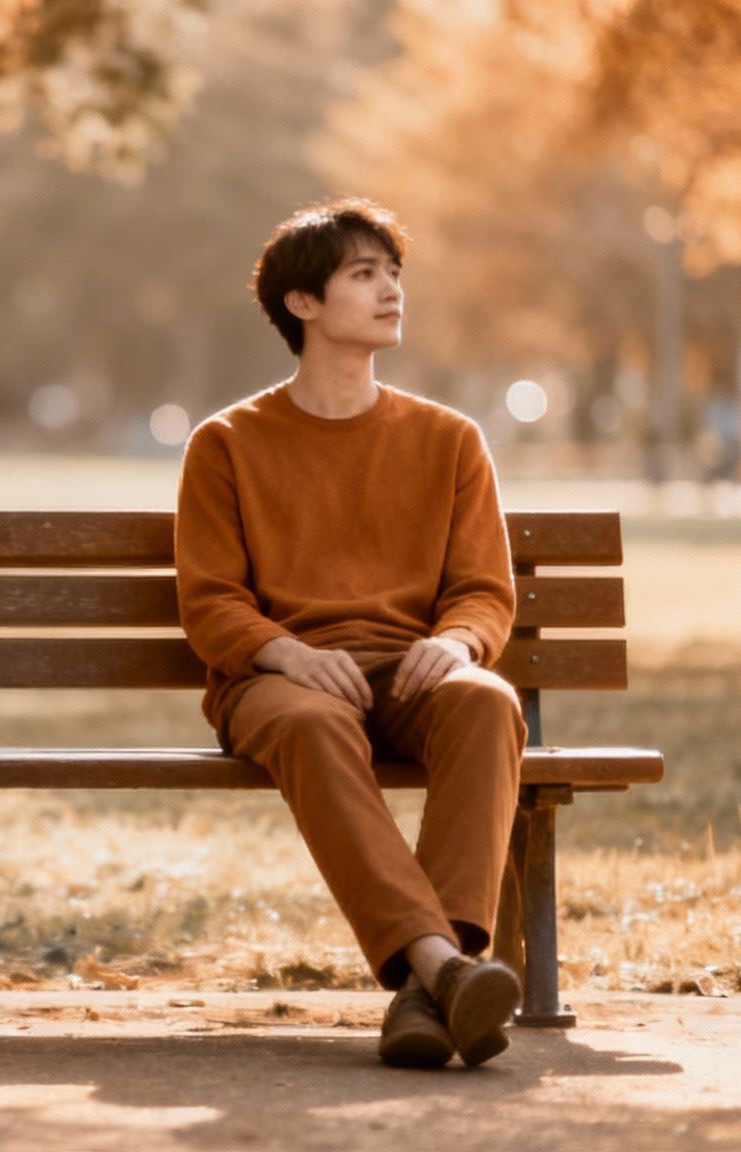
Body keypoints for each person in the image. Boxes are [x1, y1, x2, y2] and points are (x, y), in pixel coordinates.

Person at [174, 199, 526, 1069]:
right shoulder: (227, 444)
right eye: (364, 274)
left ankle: (426, 989)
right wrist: (288, 652)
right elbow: (211, 601)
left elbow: (483, 589)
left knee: (486, 705)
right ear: (303, 304)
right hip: (277, 683)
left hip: (412, 673)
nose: (391, 290)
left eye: (394, 273)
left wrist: (458, 645)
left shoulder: (449, 439)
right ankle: (448, 967)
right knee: (314, 722)